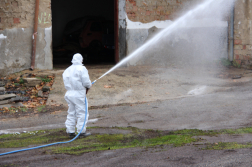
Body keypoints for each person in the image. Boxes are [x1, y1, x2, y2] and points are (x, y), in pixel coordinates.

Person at [62, 53, 92, 138]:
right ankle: (81, 132)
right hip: (79, 94)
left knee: (71, 112)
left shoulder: (67, 70)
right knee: (82, 112)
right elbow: (86, 82)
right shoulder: (82, 69)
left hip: (69, 93)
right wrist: (89, 85)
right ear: (81, 59)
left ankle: (70, 131)